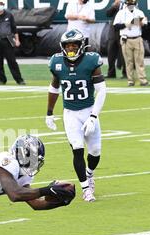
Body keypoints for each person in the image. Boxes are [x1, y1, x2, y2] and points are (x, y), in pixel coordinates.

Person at [45, 29, 107, 202]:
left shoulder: (91, 61)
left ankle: (90, 174)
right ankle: (86, 188)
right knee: (77, 149)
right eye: (68, 45)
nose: (71, 48)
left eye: (74, 45)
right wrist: (49, 113)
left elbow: (101, 91)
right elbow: (54, 88)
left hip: (88, 110)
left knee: (95, 151)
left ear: (81, 46)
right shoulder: (57, 62)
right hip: (70, 113)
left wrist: (93, 116)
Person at [113, 0, 150, 86]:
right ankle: (130, 80)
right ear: (126, 4)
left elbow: (145, 26)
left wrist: (141, 23)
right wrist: (128, 24)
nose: (131, 6)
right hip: (126, 39)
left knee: (139, 61)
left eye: (133, 4)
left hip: (137, 38)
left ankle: (143, 80)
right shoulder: (121, 13)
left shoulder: (140, 12)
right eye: (130, 4)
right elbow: (115, 26)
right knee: (128, 61)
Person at [0, 0, 25, 85]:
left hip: (7, 40)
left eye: (2, 4)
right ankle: (2, 79)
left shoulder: (9, 15)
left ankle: (19, 79)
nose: (0, 6)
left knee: (12, 61)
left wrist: (17, 40)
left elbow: (14, 28)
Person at [106, 0, 126, 79]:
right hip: (113, 32)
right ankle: (111, 72)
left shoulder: (129, 3)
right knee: (111, 53)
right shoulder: (116, 4)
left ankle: (125, 73)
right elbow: (108, 14)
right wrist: (114, 5)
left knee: (124, 54)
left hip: (124, 31)